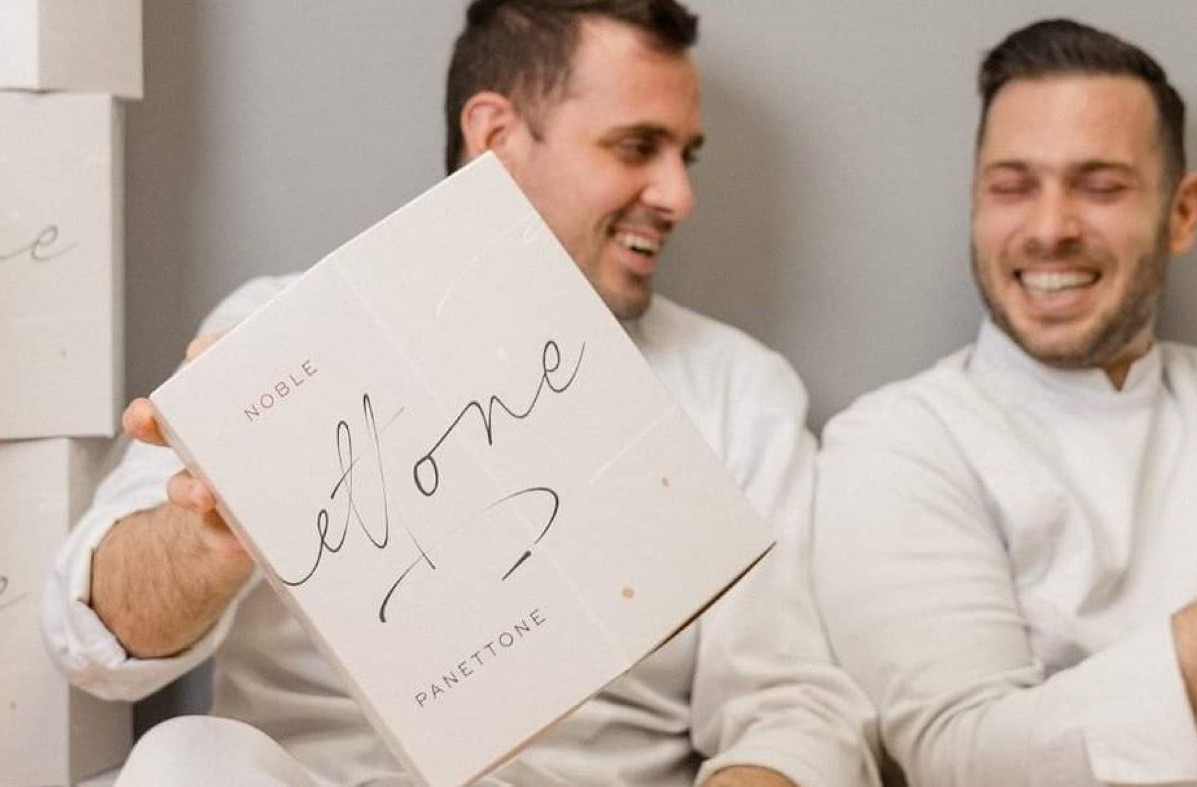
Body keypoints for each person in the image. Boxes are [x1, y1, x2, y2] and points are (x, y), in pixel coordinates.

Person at [44, 2, 879, 784]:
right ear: (496, 137)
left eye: (683, 157)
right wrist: (211, 536)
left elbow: (790, 706)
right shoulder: (270, 336)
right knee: (185, 756)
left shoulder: (737, 388)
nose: (678, 196)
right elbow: (91, 640)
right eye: (635, 147)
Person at [812, 17, 1197, 787]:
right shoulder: (897, 442)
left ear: (1182, 213)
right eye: (1011, 186)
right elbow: (963, 759)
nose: (1050, 228)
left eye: (1100, 187)